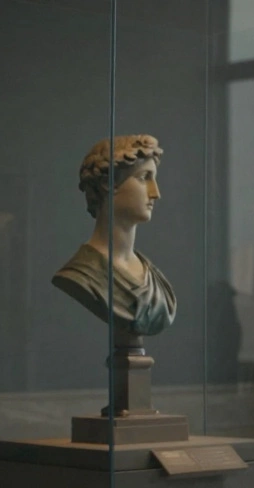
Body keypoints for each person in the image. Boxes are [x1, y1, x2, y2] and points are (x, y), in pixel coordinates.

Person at [52, 134, 177, 337]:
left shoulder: (156, 284)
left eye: (154, 179)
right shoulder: (82, 275)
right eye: (144, 178)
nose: (155, 193)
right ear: (108, 183)